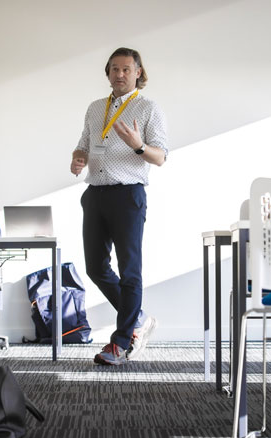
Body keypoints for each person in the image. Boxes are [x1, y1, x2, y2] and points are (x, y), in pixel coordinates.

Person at [69, 47, 168, 365]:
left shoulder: (149, 108)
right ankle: (137, 318)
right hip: (95, 194)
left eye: (126, 69)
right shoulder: (96, 108)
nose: (120, 74)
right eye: (114, 69)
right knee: (96, 268)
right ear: (108, 73)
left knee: (130, 272)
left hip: (128, 195)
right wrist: (78, 157)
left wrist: (138, 146)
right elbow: (84, 142)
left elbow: (161, 157)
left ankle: (121, 343)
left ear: (139, 72)